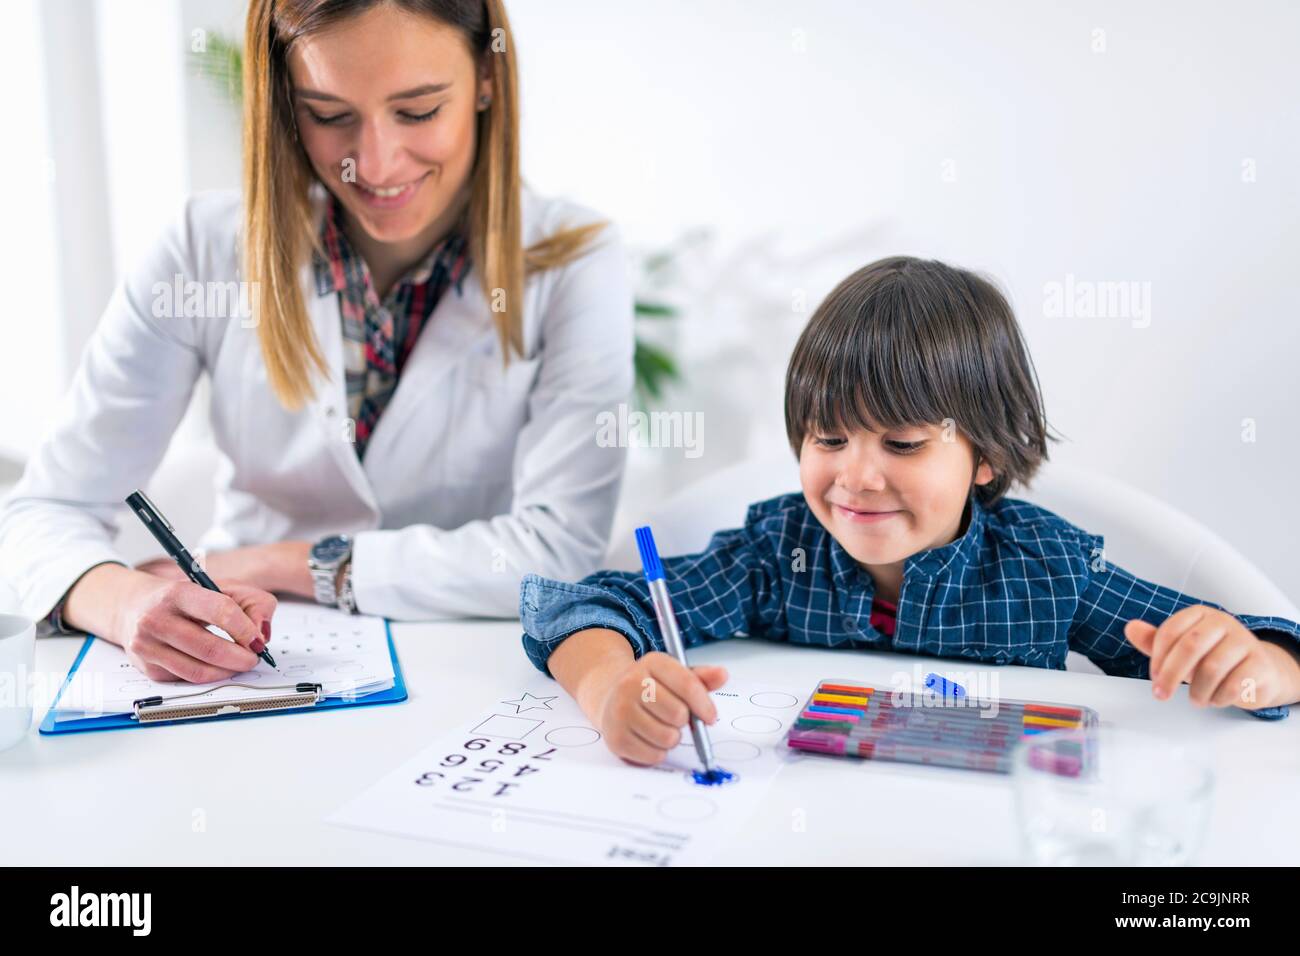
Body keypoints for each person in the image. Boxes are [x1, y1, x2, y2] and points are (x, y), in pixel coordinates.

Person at [0, 0, 633, 685]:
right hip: (237, 676)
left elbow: (559, 550)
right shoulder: (204, 249)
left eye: (418, 111)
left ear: (486, 77)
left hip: (467, 678)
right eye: (329, 115)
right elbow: (45, 511)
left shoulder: (572, 260)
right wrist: (122, 601)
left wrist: (282, 562)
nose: (377, 164)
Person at [518, 256, 1300, 765]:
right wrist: (610, 689)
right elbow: (586, 605)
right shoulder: (775, 555)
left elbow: (1265, 657)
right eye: (829, 437)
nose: (856, 476)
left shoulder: (1051, 571)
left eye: (901, 443)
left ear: (986, 455)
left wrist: (1255, 666)